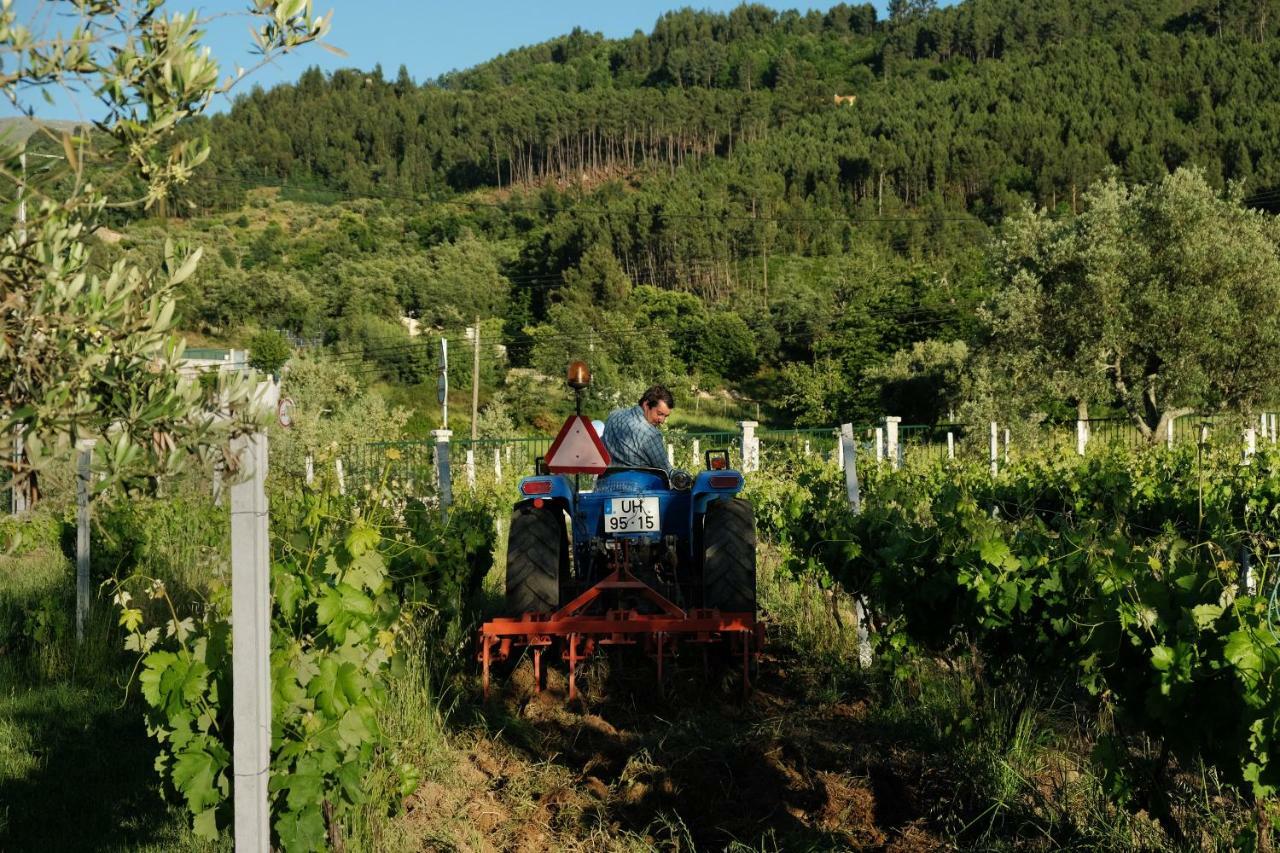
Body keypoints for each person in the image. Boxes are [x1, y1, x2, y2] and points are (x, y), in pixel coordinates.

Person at [602, 384, 675, 473]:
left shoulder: (613, 416)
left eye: (665, 416)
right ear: (646, 405)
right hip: (638, 484)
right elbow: (666, 471)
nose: (662, 421)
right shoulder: (650, 434)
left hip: (605, 482)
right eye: (659, 414)